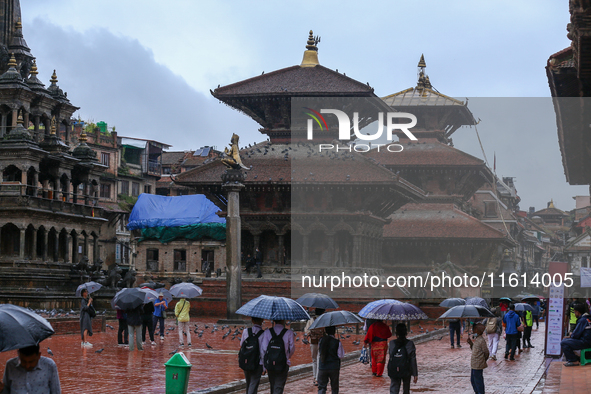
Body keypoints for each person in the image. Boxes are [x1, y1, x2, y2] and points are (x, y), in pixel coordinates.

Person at [260, 319, 295, 394]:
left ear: (274, 320)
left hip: (270, 364)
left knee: (272, 385)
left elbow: (264, 349)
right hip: (283, 363)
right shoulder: (289, 333)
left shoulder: (267, 332)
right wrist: (287, 357)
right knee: (279, 386)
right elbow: (292, 348)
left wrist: (264, 365)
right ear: (283, 320)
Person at [388, 323, 417, 394]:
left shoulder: (392, 343)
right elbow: (413, 359)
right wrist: (415, 373)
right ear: (406, 332)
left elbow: (391, 356)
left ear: (396, 332)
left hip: (394, 369)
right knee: (406, 389)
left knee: (394, 388)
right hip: (406, 369)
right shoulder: (410, 344)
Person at [239, 317, 265, 394]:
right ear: (262, 320)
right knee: (254, 383)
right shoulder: (264, 333)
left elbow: (241, 345)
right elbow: (263, 351)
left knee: (248, 382)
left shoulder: (245, 331)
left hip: (246, 360)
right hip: (258, 362)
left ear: (252, 320)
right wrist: (264, 366)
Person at [317, 326, 344, 394]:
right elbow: (341, 355)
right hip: (334, 367)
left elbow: (320, 351)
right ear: (334, 331)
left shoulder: (321, 341)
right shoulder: (337, 342)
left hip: (323, 366)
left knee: (322, 387)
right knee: (334, 387)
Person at [304, 308, 325, 386]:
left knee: (314, 360)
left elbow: (306, 330)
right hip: (321, 342)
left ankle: (314, 377)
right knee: (319, 359)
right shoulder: (324, 320)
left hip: (312, 341)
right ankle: (318, 378)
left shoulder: (311, 320)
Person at [467, 323, 489, 394]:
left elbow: (486, 352)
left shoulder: (481, 341)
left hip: (478, 364)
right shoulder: (477, 340)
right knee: (473, 380)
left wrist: (483, 360)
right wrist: (470, 343)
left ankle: (480, 392)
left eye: (474, 330)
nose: (473, 332)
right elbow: (474, 349)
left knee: (478, 381)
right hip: (474, 364)